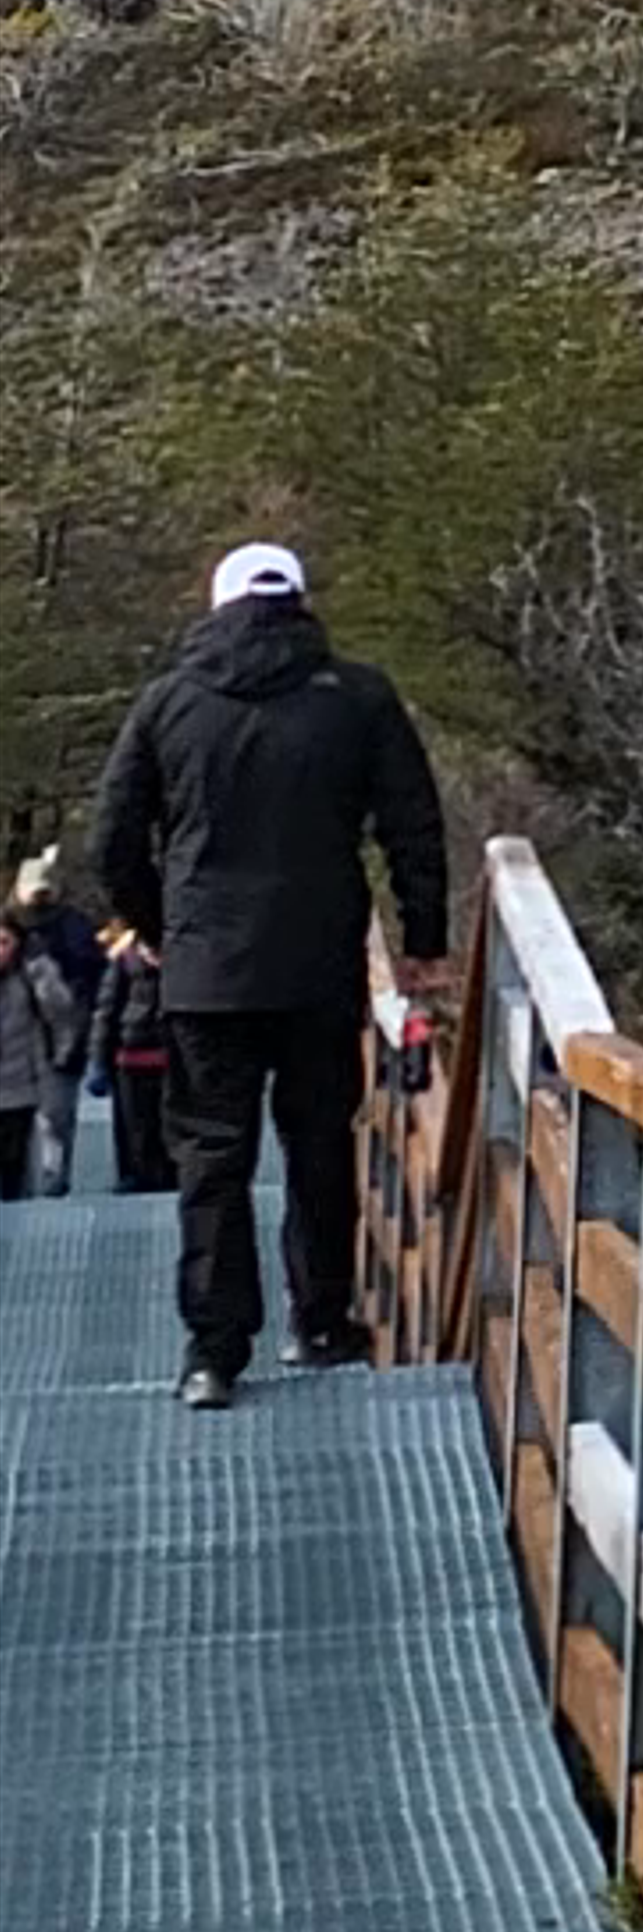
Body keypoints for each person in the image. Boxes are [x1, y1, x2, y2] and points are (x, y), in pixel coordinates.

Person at [84, 537, 452, 1408]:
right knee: (320, 1141)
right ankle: (319, 1321)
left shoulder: (169, 703)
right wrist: (423, 938)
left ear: (217, 606)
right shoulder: (358, 697)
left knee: (212, 1154)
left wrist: (159, 925)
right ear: (299, 601)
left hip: (206, 971)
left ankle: (213, 1352)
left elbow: (112, 838)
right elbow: (413, 825)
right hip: (322, 964)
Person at [9, 853, 99, 1191]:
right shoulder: (8, 928)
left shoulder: (73, 927)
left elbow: (88, 982)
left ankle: (52, 1184)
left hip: (58, 1042)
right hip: (16, 1041)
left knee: (55, 1122)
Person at [0, 897, 77, 1202]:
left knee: (14, 1168)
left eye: (5, 942)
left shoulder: (31, 974)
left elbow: (61, 1014)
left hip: (21, 1086)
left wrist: (61, 1055)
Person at [88, 922, 173, 1190]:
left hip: (174, 1054)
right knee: (134, 1127)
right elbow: (107, 1010)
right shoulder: (126, 958)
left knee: (172, 1125)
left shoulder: (184, 956)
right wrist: (98, 1059)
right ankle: (135, 1175)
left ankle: (169, 1176)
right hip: (133, 1054)